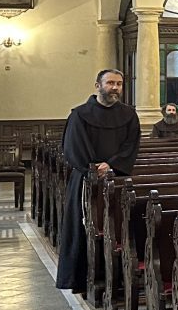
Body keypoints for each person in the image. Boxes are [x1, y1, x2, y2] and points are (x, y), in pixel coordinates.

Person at [55, 69, 141, 293]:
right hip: (86, 180)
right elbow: (73, 147)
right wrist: (93, 167)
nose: (115, 87)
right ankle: (82, 279)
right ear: (98, 86)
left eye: (119, 84)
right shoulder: (79, 115)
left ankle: (118, 279)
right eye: (110, 83)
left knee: (118, 228)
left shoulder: (129, 115)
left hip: (118, 178)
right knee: (82, 230)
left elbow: (131, 145)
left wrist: (111, 164)